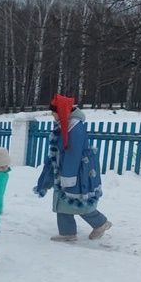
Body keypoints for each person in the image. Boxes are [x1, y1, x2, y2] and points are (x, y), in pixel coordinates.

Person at [34, 94, 112, 242]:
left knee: (77, 202)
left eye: (54, 112)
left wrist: (68, 177)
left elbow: (73, 153)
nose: (52, 115)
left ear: (62, 111)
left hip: (75, 172)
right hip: (63, 169)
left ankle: (100, 223)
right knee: (62, 202)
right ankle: (67, 232)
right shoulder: (65, 124)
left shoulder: (74, 128)